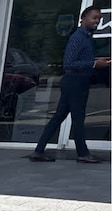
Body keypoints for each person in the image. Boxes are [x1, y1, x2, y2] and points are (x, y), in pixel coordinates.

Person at [29, 6, 111, 164]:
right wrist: (94, 64)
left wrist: (96, 62)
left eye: (99, 19)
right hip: (75, 82)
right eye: (94, 18)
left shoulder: (86, 37)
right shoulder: (78, 38)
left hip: (77, 82)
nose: (97, 21)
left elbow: (80, 60)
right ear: (83, 18)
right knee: (78, 118)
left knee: (59, 116)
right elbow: (69, 63)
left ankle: (38, 151)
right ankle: (83, 154)